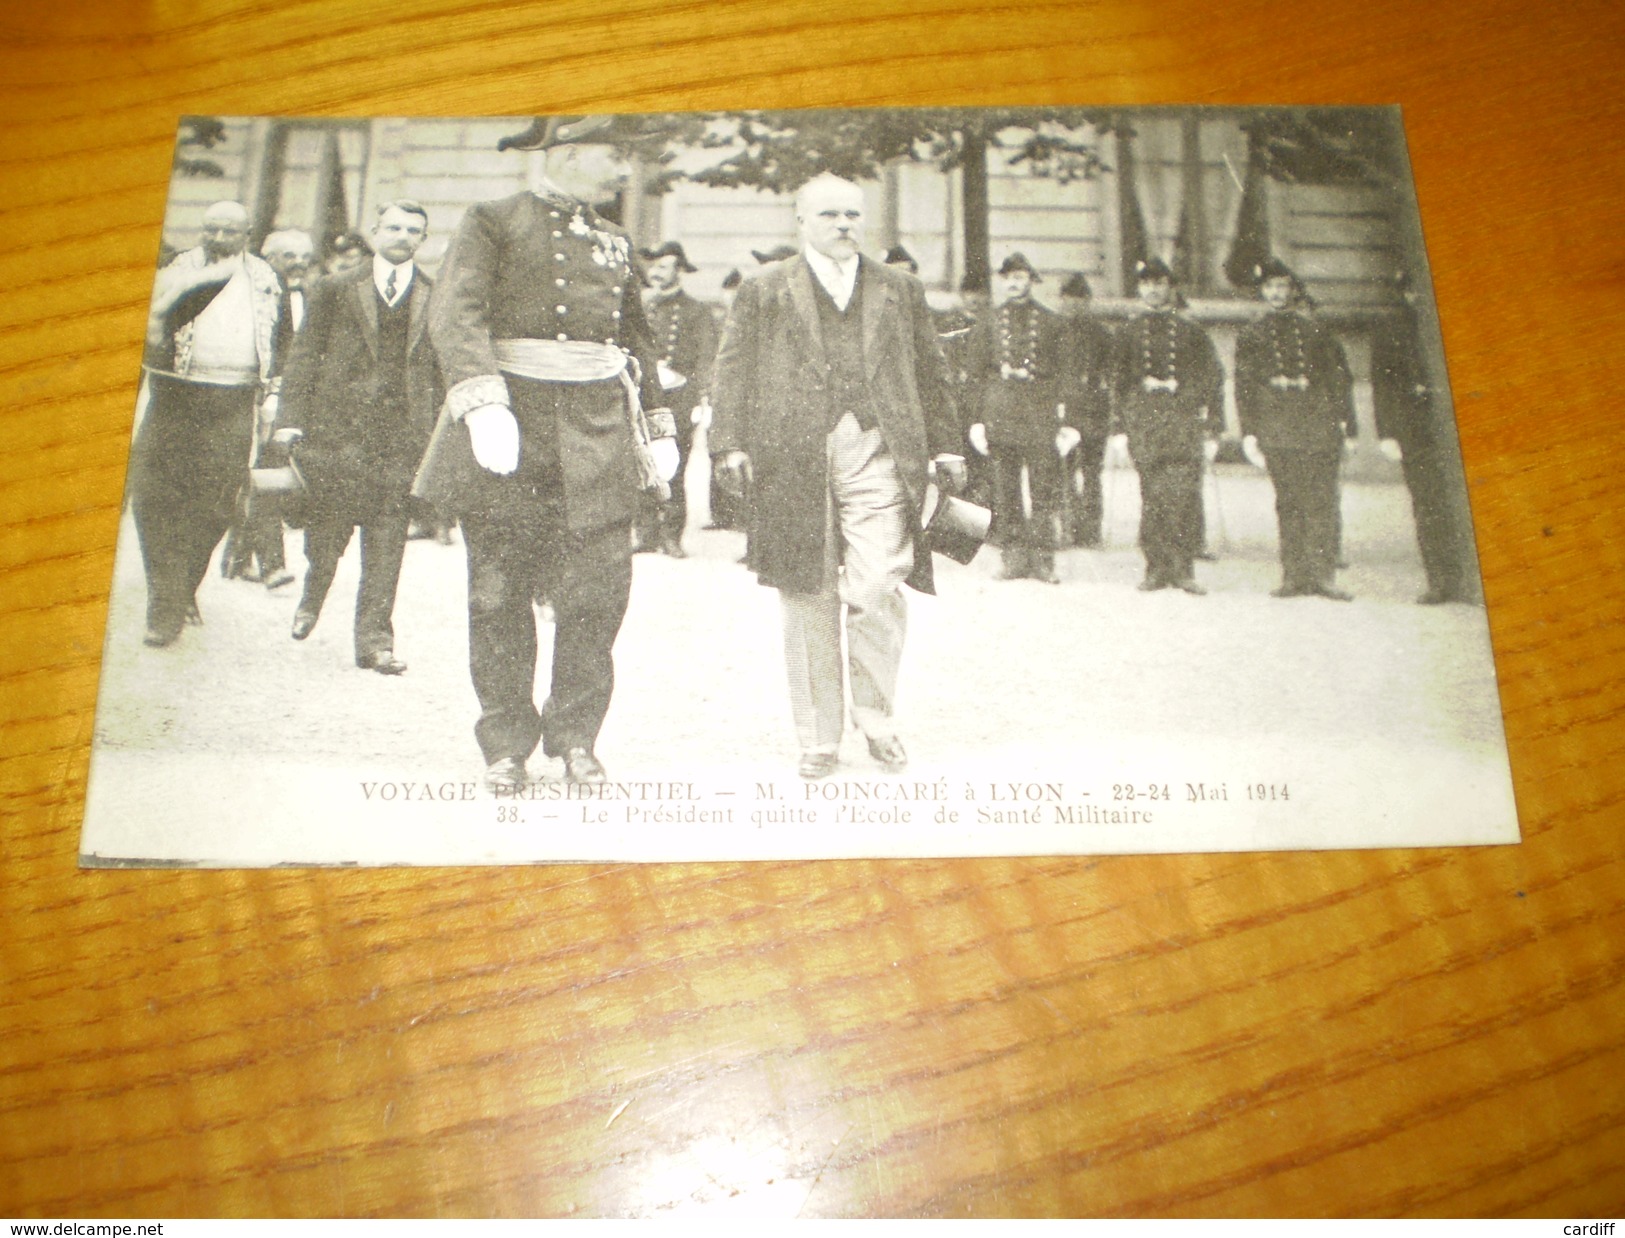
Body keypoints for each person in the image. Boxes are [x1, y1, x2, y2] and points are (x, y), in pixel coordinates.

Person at [425, 114, 675, 791]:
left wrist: (658, 425)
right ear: (566, 154)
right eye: (613, 154)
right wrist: (482, 402)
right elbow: (456, 313)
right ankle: (506, 742)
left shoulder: (616, 240)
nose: (625, 169)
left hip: (594, 436)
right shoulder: (493, 219)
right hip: (512, 430)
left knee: (596, 593)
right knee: (498, 593)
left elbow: (634, 339)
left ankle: (575, 740)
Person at [710, 173, 964, 779]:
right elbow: (732, 369)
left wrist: (949, 446)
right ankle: (818, 736)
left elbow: (931, 370)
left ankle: (877, 720)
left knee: (878, 584)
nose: (843, 225)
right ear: (801, 222)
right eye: (829, 215)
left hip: (878, 448)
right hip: (793, 455)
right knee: (807, 592)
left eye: (852, 214)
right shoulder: (765, 289)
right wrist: (728, 444)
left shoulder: (898, 288)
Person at [273, 201, 442, 672]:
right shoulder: (333, 288)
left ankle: (375, 642)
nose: (402, 236)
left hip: (400, 437)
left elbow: (440, 370)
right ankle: (313, 594)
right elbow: (305, 356)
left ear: (422, 240)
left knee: (388, 541)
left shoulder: (434, 293)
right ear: (375, 231)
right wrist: (290, 419)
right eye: (393, 227)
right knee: (328, 534)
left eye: (413, 230)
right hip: (337, 434)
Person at [132, 200, 281, 646]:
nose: (217, 239)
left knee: (217, 504)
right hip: (175, 397)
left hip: (234, 401)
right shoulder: (178, 271)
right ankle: (164, 605)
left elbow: (285, 339)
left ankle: (181, 587)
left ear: (247, 233)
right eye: (210, 229)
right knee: (155, 499)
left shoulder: (266, 279)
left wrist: (275, 392)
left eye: (228, 232)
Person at [1235, 257, 1356, 600]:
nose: (1277, 293)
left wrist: (1348, 426)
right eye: (1270, 287)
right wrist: (1250, 432)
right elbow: (1244, 387)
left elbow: (1337, 380)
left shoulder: (1315, 330)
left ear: (1293, 290)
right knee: (1288, 502)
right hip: (1277, 425)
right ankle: (1293, 576)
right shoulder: (1252, 334)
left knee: (1321, 501)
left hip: (1316, 422)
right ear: (1262, 292)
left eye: (1283, 286)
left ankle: (1323, 576)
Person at [1111, 257, 1222, 594]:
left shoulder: (1191, 332)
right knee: (1153, 495)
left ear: (1170, 288)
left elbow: (1213, 378)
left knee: (1184, 495)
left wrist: (1213, 427)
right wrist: (1118, 427)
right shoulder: (1128, 332)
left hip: (1182, 419)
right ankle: (1156, 567)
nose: (1153, 290)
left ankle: (1183, 568)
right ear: (1140, 289)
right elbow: (1118, 382)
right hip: (1145, 422)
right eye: (1147, 284)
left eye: (1159, 284)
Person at [220, 227, 316, 589]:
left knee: (265, 471)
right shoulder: (254, 293)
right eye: (290, 256)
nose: (299, 265)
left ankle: (240, 555)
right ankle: (270, 563)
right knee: (264, 472)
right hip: (255, 394)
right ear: (268, 256)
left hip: (290, 397)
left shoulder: (309, 293)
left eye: (306, 258)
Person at [967, 253, 1069, 583]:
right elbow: (977, 375)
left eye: (1021, 276)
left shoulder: (1051, 322)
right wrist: (978, 420)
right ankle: (1013, 557)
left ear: (1031, 281)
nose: (1014, 282)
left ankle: (1043, 560)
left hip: (1039, 413)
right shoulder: (989, 323)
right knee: (1006, 489)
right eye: (1009, 277)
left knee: (1043, 489)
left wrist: (1064, 417)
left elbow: (1064, 375)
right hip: (1002, 413)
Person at [1372, 270, 1472, 604]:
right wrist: (1387, 432)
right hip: (1416, 431)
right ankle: (1441, 582)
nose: (1419, 297)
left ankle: (1470, 581)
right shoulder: (1390, 329)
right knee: (1429, 506)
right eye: (1413, 290)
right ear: (1404, 292)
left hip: (1458, 430)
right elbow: (1383, 386)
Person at [638, 240, 718, 557]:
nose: (656, 272)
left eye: (664, 266)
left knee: (676, 464)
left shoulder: (696, 312)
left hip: (678, 401)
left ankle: (672, 534)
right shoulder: (640, 308)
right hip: (643, 398)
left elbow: (706, 358)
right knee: (640, 462)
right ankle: (644, 532)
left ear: (679, 271)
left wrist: (703, 398)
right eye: (653, 266)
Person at [1057, 272, 1115, 548]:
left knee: (1092, 473)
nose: (1073, 305)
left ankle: (1091, 531)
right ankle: (1068, 527)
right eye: (1068, 299)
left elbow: (1111, 374)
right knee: (1063, 471)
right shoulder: (1053, 331)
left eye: (1079, 300)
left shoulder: (1102, 335)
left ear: (1088, 302)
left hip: (1093, 411)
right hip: (1063, 412)